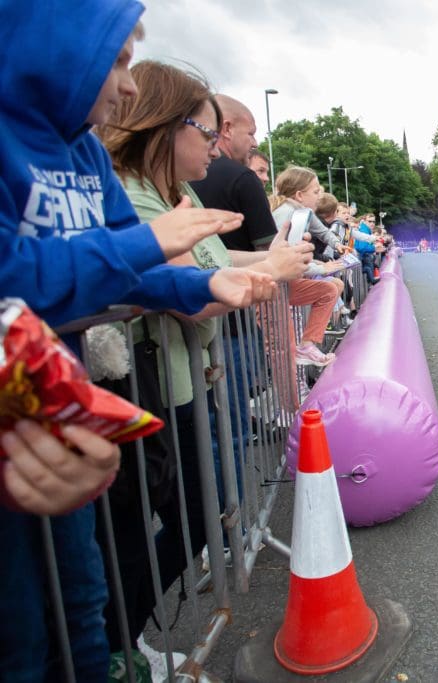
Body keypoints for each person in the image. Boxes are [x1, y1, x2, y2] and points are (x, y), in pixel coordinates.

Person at [0, 3, 259, 680]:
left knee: (85, 607)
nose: (128, 85)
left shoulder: (84, 150)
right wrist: (147, 243)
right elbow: (17, 270)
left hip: (60, 423)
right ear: (56, 45)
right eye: (115, 59)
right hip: (12, 436)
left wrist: (205, 289)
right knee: (22, 637)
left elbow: (134, 272)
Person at [96, 60, 278, 668]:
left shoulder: (174, 191)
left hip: (181, 381)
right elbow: (187, 289)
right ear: (166, 127)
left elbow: (209, 261)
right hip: (144, 385)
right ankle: (112, 646)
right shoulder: (126, 190)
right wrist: (263, 272)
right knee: (144, 523)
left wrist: (261, 270)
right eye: (206, 130)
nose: (216, 144)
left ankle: (120, 639)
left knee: (197, 507)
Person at [269, 166, 345, 366]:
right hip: (274, 288)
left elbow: (322, 232)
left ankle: (307, 346)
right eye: (316, 191)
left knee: (331, 288)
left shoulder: (302, 213)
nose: (320, 196)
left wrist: (337, 243)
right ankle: (306, 346)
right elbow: (289, 260)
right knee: (284, 354)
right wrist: (320, 269)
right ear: (300, 195)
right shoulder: (288, 215)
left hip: (284, 283)